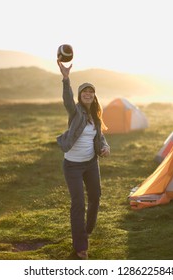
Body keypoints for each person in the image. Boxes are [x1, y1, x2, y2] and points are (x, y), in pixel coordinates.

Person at [56, 59, 110, 259]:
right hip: (72, 166)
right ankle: (81, 247)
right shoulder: (75, 111)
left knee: (95, 197)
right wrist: (65, 78)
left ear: (94, 95)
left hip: (90, 164)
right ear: (80, 96)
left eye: (91, 91)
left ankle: (87, 230)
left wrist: (105, 147)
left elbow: (100, 136)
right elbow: (67, 99)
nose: (88, 94)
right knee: (78, 203)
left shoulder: (95, 115)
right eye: (84, 92)